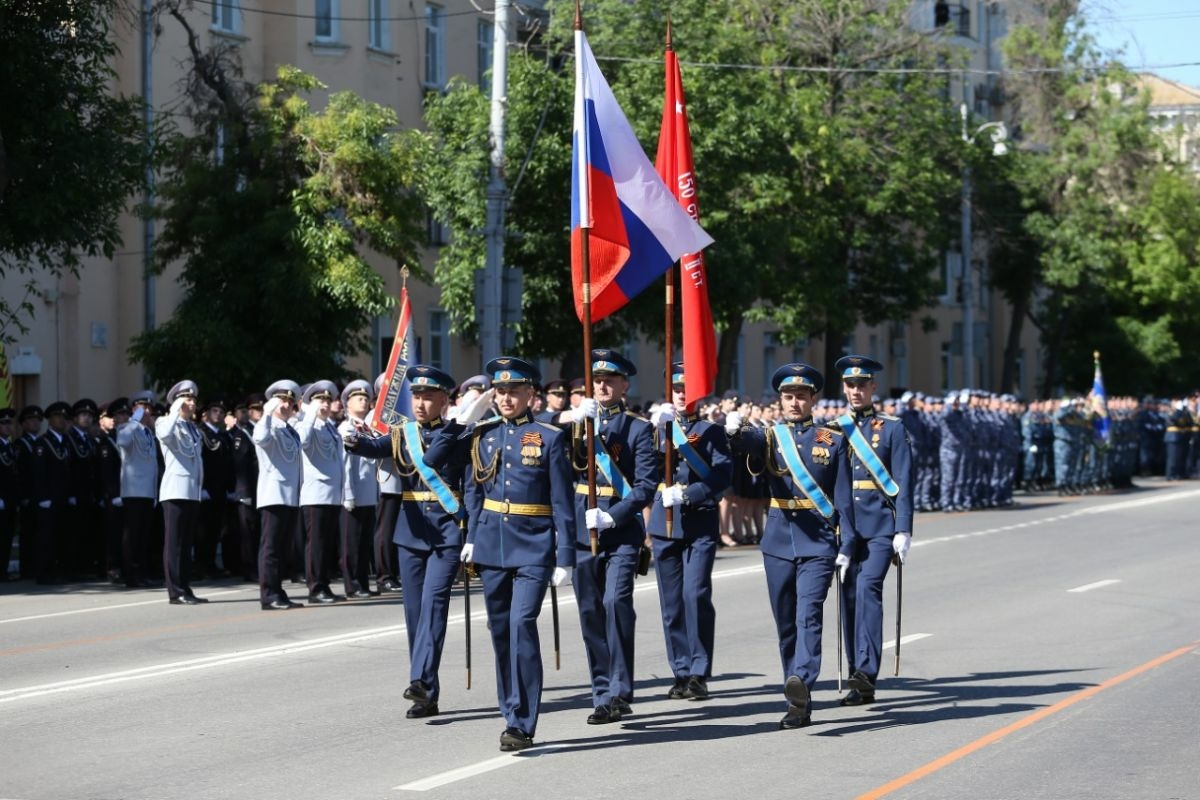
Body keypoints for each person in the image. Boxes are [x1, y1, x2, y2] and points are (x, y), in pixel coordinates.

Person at [424, 356, 576, 752]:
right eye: (500, 391)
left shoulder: (549, 437)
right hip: (492, 546)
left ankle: (522, 722)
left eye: (514, 391)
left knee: (522, 624)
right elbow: (433, 460)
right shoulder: (482, 433)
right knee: (501, 631)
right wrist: (461, 420)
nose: (506, 398)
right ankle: (511, 712)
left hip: (534, 547)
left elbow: (563, 502)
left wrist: (566, 557)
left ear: (530, 394)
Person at [728, 363, 857, 728]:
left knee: (808, 614)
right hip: (778, 540)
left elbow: (843, 498)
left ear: (813, 399)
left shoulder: (831, 440)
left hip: (818, 540)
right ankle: (796, 699)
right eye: (788, 396)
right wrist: (733, 430)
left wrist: (846, 543)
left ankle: (803, 676)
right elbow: (746, 443)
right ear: (780, 401)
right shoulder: (770, 436)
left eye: (801, 396)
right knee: (786, 622)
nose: (795, 402)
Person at [346, 366, 467, 718]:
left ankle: (421, 680)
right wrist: (353, 441)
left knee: (433, 606)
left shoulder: (458, 434)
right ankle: (426, 694)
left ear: (444, 400)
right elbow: (374, 447)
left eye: (428, 397)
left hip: (446, 533)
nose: (420, 404)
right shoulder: (403, 434)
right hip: (411, 533)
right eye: (416, 397)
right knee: (414, 615)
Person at [566, 349, 656, 724]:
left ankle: (618, 690)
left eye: (609, 381)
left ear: (624, 385)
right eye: (597, 381)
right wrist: (571, 422)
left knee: (615, 602)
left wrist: (612, 516)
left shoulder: (638, 428)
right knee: (590, 612)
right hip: (581, 528)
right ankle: (602, 693)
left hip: (620, 530)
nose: (602, 386)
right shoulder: (575, 424)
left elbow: (646, 486)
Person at [647, 362, 733, 701]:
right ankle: (680, 671)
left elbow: (723, 475)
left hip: (699, 520)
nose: (682, 394)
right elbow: (645, 469)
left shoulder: (711, 431)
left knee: (695, 594)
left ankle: (699, 671)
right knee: (671, 604)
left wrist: (689, 494)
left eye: (687, 388)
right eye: (677, 389)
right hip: (665, 522)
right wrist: (657, 432)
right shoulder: (657, 428)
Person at [834, 355, 913, 704]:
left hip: (880, 525)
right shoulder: (833, 429)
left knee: (868, 588)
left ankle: (867, 672)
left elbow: (904, 480)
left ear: (872, 387)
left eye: (861, 385)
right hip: (845, 527)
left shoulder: (892, 428)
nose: (856, 391)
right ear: (844, 388)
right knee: (849, 597)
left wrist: (904, 528)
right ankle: (856, 673)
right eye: (850, 385)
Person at [155, 380, 208, 605]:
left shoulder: (192, 428)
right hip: (175, 491)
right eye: (187, 398)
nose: (192, 403)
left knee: (186, 544)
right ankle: (175, 591)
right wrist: (175, 411)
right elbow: (164, 435)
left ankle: (185, 587)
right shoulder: (165, 422)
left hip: (192, 491)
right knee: (174, 543)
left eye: (194, 399)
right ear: (177, 402)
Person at [253, 380, 305, 610]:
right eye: (281, 400)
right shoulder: (267, 426)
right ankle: (269, 594)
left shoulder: (289, 429)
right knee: (271, 548)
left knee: (283, 548)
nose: (286, 405)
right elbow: (260, 438)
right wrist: (265, 413)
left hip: (290, 495)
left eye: (289, 402)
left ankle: (278, 590)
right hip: (273, 494)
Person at [296, 380, 345, 604]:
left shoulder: (329, 427)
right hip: (315, 494)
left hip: (331, 493)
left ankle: (324, 583)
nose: (324, 404)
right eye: (319, 400)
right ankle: (315, 588)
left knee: (326, 543)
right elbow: (303, 442)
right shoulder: (306, 425)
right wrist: (309, 414)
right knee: (315, 543)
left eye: (327, 400)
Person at [337, 379, 378, 600]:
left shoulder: (367, 429)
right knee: (351, 542)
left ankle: (362, 581)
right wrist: (348, 493)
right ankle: (352, 584)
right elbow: (346, 464)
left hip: (368, 492)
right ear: (348, 403)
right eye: (358, 398)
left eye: (365, 398)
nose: (363, 401)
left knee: (364, 541)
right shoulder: (346, 428)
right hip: (354, 493)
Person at [117, 391, 160, 588]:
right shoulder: (127, 428)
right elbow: (122, 442)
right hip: (133, 491)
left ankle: (141, 572)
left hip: (147, 491)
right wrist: (134, 420)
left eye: (149, 408)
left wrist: (154, 492)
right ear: (134, 409)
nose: (147, 412)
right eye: (143, 408)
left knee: (144, 536)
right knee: (132, 535)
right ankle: (131, 574)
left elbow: (153, 465)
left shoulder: (148, 432)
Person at [0, 408, 17, 580]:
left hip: (10, 499)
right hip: (1, 499)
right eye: (3, 423)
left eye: (9, 423)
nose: (7, 426)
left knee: (6, 535)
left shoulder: (10, 446)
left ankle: (3, 570)